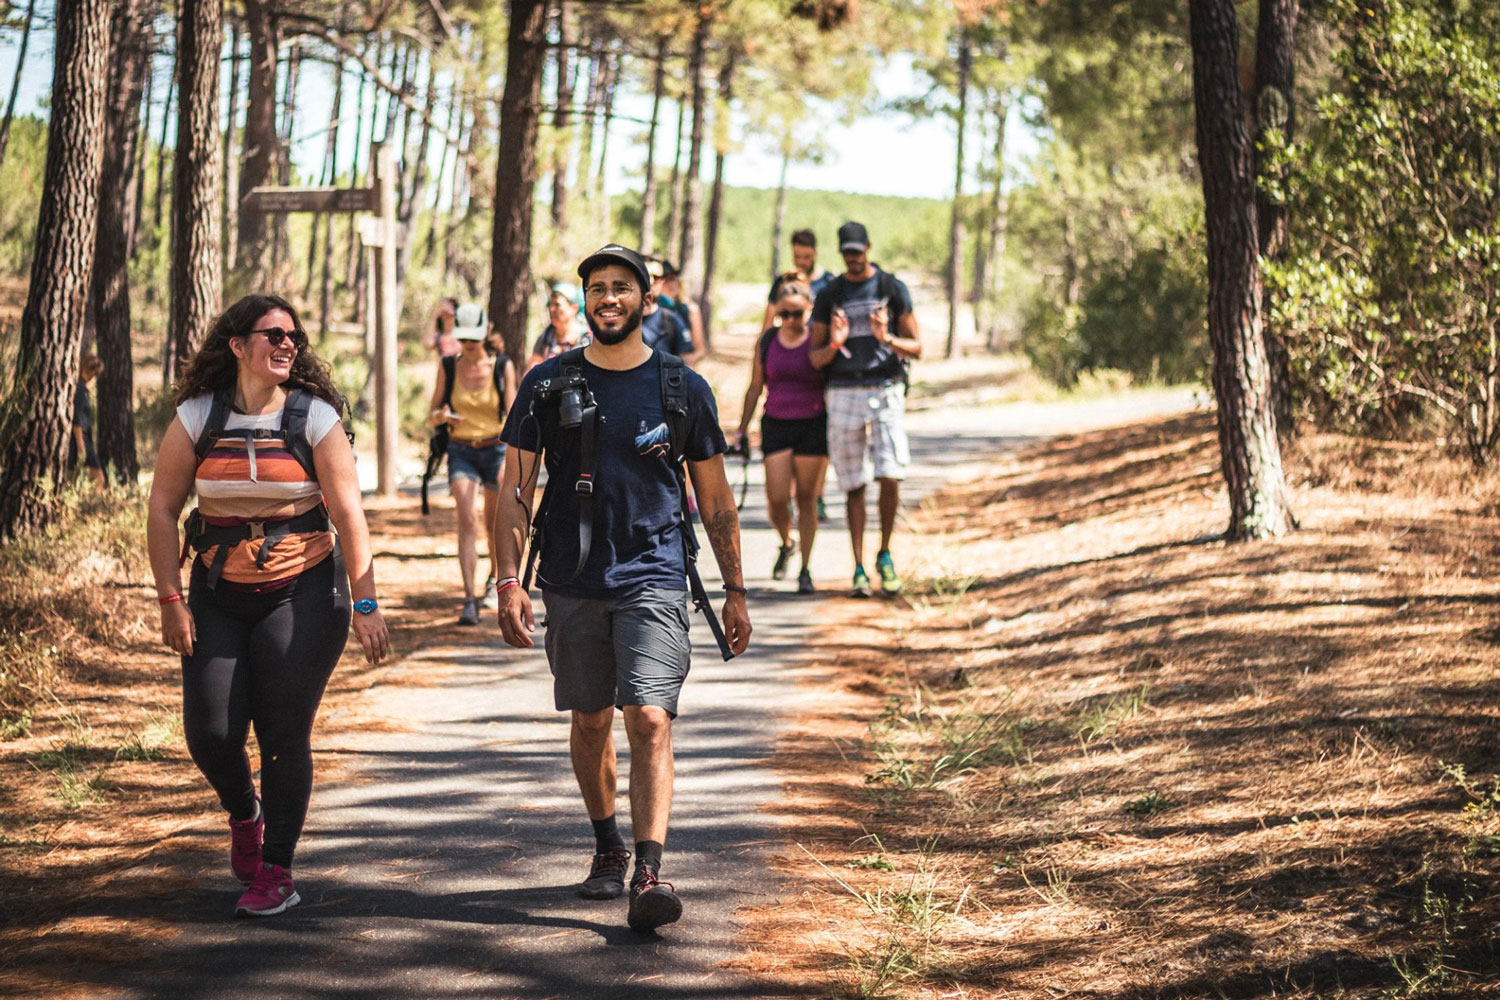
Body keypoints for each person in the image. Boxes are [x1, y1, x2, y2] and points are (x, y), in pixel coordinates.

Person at [493, 243, 751, 933]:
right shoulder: (547, 383)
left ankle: (649, 869)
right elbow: (514, 490)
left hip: (656, 574)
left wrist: (735, 589)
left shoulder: (682, 388)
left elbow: (717, 500)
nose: (608, 298)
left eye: (621, 287)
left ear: (647, 297)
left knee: (650, 717)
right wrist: (506, 581)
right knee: (590, 721)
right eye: (596, 287)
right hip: (572, 579)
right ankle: (607, 844)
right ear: (586, 300)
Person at [145, 294, 390, 918]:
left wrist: (365, 601)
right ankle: (244, 812)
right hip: (216, 591)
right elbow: (163, 510)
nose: (288, 345)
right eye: (274, 334)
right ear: (237, 345)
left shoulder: (315, 419)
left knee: (282, 730)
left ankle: (277, 869)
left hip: (304, 590)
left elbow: (348, 515)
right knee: (212, 731)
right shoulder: (199, 416)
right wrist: (171, 600)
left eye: (295, 337)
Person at [809, 221, 923, 598]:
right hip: (842, 390)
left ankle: (885, 554)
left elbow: (918, 347)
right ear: (841, 253)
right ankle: (858, 565)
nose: (854, 258)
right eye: (848, 253)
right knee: (853, 483)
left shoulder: (891, 287)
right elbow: (815, 357)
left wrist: (885, 337)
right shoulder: (830, 293)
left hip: (885, 386)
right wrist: (836, 342)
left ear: (869, 248)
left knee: (891, 473)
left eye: (859, 251)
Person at [735, 280, 828, 594]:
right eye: (784, 313)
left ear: (809, 309)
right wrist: (742, 428)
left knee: (806, 498)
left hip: (813, 423)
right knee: (776, 500)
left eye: (797, 313)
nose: (790, 319)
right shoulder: (767, 341)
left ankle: (805, 567)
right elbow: (754, 387)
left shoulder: (817, 338)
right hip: (775, 423)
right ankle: (787, 542)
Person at [428, 303, 518, 625]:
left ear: (485, 335)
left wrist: (509, 458)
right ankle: (468, 597)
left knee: (493, 523)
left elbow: (515, 416)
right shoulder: (448, 365)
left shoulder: (501, 366)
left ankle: (494, 578)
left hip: (495, 449)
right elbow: (432, 412)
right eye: (463, 337)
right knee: (466, 517)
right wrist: (442, 417)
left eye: (474, 338)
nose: (468, 344)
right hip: (461, 449)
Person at [760, 228, 835, 332]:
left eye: (807, 257)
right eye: (797, 257)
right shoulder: (783, 282)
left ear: (815, 252)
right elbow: (767, 325)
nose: (801, 262)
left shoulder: (828, 282)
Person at [640, 258, 698, 362]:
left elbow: (687, 356)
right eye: (645, 276)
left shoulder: (672, 318)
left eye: (656, 277)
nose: (651, 281)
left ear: (662, 281)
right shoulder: (622, 318)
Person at [527, 282, 591, 373]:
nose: (551, 309)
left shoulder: (588, 338)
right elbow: (533, 369)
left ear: (574, 308)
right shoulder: (545, 337)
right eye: (550, 304)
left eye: (557, 305)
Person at [655, 259, 706, 366]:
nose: (671, 284)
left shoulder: (689, 309)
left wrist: (682, 362)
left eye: (673, 279)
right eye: (666, 280)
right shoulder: (649, 310)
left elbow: (700, 350)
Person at [70, 355, 105, 488]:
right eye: (95, 374)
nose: (94, 378)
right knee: (98, 478)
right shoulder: (80, 389)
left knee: (83, 476)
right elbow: (76, 419)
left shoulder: (82, 388)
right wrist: (80, 445)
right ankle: (93, 504)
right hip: (81, 439)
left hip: (84, 439)